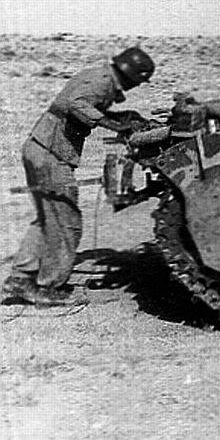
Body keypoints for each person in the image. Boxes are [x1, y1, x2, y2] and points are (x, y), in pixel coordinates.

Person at [2, 47, 155, 306]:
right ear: (131, 75)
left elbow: (80, 105)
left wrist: (124, 118)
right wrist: (116, 125)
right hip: (50, 156)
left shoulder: (100, 76)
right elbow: (77, 106)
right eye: (139, 81)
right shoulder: (103, 81)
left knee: (48, 219)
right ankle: (47, 287)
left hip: (40, 150)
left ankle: (20, 279)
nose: (136, 87)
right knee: (67, 222)